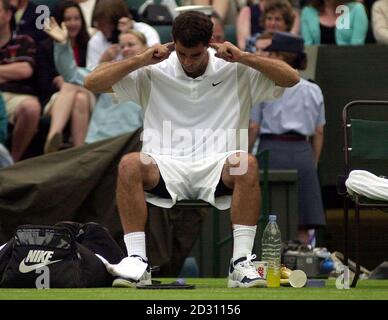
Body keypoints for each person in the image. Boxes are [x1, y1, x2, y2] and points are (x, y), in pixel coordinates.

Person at [85, 10, 299, 288]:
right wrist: (140, 59)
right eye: (183, 54)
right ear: (173, 42)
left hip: (219, 166)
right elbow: (91, 83)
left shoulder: (236, 67)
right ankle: (137, 261)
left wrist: (244, 56)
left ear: (209, 43)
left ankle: (240, 263)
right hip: (164, 165)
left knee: (246, 163)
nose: (188, 61)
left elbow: (291, 78)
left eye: (195, 55)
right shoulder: (152, 68)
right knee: (129, 164)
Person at [249, 31, 326, 245]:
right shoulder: (314, 89)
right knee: (303, 218)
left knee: (270, 211)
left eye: (272, 52)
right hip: (303, 152)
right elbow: (319, 132)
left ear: (280, 56)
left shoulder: (265, 84)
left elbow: (253, 126)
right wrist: (313, 161)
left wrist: (244, 154)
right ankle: (301, 261)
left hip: (271, 150)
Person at [40, 1, 94, 153]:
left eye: (76, 19)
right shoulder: (45, 47)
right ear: (59, 21)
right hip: (55, 99)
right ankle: (79, 153)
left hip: (89, 92)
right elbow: (42, 85)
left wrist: (66, 80)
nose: (73, 23)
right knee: (79, 98)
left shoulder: (89, 43)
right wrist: (57, 83)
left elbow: (93, 74)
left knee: (70, 83)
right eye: (68, 19)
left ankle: (52, 138)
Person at [0, 0, 41, 162]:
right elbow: (18, 70)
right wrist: (10, 71)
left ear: (8, 14)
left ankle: (12, 163)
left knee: (31, 108)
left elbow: (25, 70)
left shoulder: (24, 41)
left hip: (15, 96)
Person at [301, 0, 368, 45]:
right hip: (316, 64)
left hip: (349, 62)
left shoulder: (357, 9)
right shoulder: (307, 12)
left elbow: (357, 47)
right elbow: (308, 48)